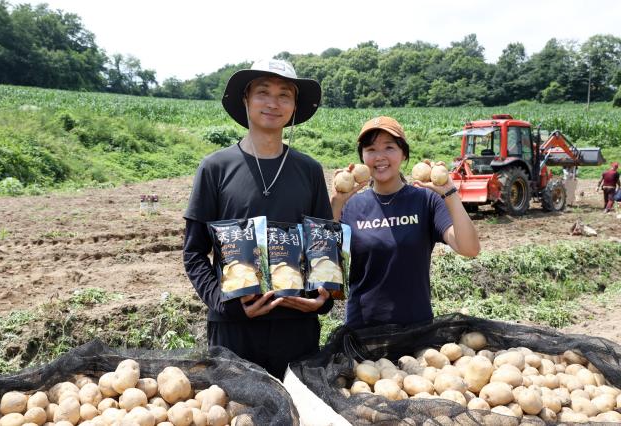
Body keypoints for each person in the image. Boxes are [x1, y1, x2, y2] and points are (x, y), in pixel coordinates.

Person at [182, 59, 333, 379]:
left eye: (284, 95)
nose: (273, 103)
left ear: (294, 106)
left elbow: (323, 246)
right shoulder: (215, 168)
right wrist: (224, 303)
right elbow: (194, 253)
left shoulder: (309, 170)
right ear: (246, 100)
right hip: (234, 327)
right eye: (263, 92)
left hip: (297, 327)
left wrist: (322, 300)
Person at [330, 116, 480, 329]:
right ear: (362, 157)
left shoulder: (426, 201)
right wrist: (335, 204)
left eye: (389, 147)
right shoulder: (351, 206)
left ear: (403, 154)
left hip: (416, 328)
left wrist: (450, 194)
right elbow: (326, 264)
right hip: (363, 329)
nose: (380, 157)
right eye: (371, 149)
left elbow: (469, 248)